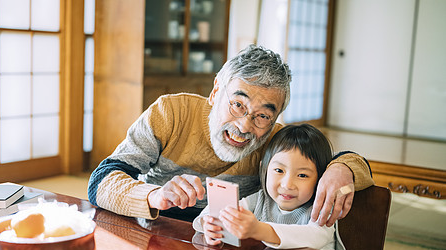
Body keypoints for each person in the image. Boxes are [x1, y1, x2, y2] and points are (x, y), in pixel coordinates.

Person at [88, 44, 374, 223]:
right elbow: (100, 181)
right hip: (157, 227)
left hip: (229, 243)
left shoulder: (275, 140)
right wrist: (154, 196)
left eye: (263, 115)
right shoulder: (170, 112)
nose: (245, 126)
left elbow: (352, 163)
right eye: (238, 105)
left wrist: (341, 168)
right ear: (215, 92)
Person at [193, 124, 346, 250]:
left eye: (302, 175)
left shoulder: (322, 208)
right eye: (279, 171)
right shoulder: (260, 199)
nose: (287, 185)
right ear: (264, 170)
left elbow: (315, 236)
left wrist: (259, 230)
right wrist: (209, 222)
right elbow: (225, 210)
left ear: (321, 179)